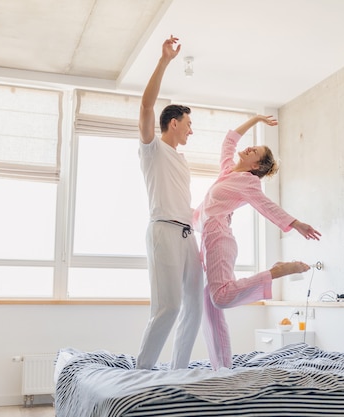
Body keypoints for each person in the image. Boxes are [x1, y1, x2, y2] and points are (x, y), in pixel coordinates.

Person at [193, 114, 321, 370]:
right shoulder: (228, 171)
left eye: (256, 152)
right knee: (210, 309)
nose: (250, 148)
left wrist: (295, 224)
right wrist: (255, 120)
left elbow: (266, 206)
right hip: (207, 239)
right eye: (254, 146)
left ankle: (276, 271)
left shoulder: (249, 182)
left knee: (221, 298)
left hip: (219, 239)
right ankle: (223, 369)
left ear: (256, 167)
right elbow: (229, 141)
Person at [136, 35, 203, 370]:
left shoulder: (183, 160)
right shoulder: (153, 150)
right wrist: (164, 61)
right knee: (168, 307)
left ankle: (178, 371)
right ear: (173, 123)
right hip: (163, 230)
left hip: (188, 235)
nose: (191, 131)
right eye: (189, 124)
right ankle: (141, 373)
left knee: (195, 305)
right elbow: (147, 107)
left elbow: (184, 200)